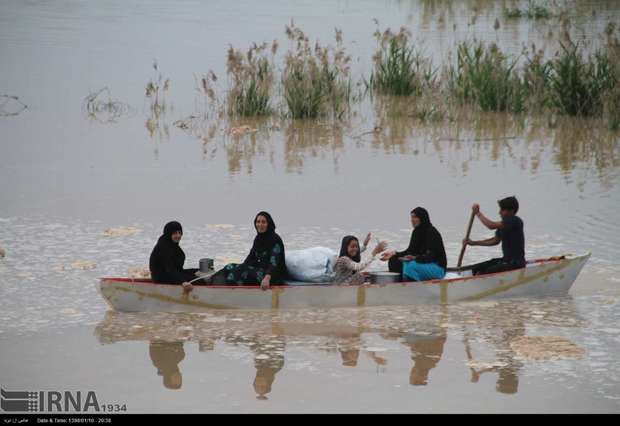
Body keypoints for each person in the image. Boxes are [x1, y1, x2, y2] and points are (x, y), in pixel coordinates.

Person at [208, 211, 287, 290]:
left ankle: (229, 292)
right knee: (229, 267)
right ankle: (211, 282)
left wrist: (267, 278)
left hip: (271, 277)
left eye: (263, 222)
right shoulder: (258, 238)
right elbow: (251, 257)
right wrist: (241, 267)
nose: (260, 224)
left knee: (240, 272)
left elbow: (274, 262)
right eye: (258, 222)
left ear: (269, 224)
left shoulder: (275, 239)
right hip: (261, 270)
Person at [463, 196, 525, 276]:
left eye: (502, 210)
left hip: (516, 264)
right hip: (505, 260)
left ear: (511, 210)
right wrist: (473, 243)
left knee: (486, 272)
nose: (500, 212)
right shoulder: (503, 225)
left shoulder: (514, 220)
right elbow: (495, 241)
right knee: (476, 268)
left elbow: (490, 225)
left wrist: (478, 213)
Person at [380, 207, 447, 281]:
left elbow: (431, 256)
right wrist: (394, 254)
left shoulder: (432, 232)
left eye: (415, 217)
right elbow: (410, 251)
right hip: (421, 263)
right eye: (411, 217)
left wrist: (415, 258)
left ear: (422, 218)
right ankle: (399, 285)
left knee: (410, 266)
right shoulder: (416, 232)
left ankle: (412, 287)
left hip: (437, 267)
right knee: (394, 261)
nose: (412, 220)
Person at [149, 221, 197, 292]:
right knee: (200, 280)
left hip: (172, 274)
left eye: (179, 233)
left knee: (198, 273)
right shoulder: (163, 247)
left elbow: (177, 269)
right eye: (175, 233)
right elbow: (169, 268)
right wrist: (183, 282)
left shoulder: (171, 243)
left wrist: (196, 271)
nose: (178, 236)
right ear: (169, 234)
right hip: (163, 279)